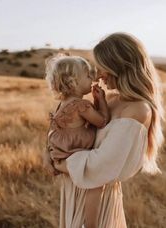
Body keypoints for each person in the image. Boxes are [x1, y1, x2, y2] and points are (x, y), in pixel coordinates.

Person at [53, 32, 164, 228]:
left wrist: (60, 164)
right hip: (77, 187)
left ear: (118, 66)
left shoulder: (138, 110)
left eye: (101, 67)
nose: (98, 75)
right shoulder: (111, 100)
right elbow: (74, 131)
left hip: (98, 197)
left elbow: (101, 165)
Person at [43, 55, 110, 228]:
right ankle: (91, 224)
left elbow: (52, 131)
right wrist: (100, 101)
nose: (93, 79)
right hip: (73, 153)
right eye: (88, 76)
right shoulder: (82, 105)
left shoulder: (61, 104)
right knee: (95, 183)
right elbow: (102, 121)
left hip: (60, 153)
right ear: (73, 82)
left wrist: (48, 154)